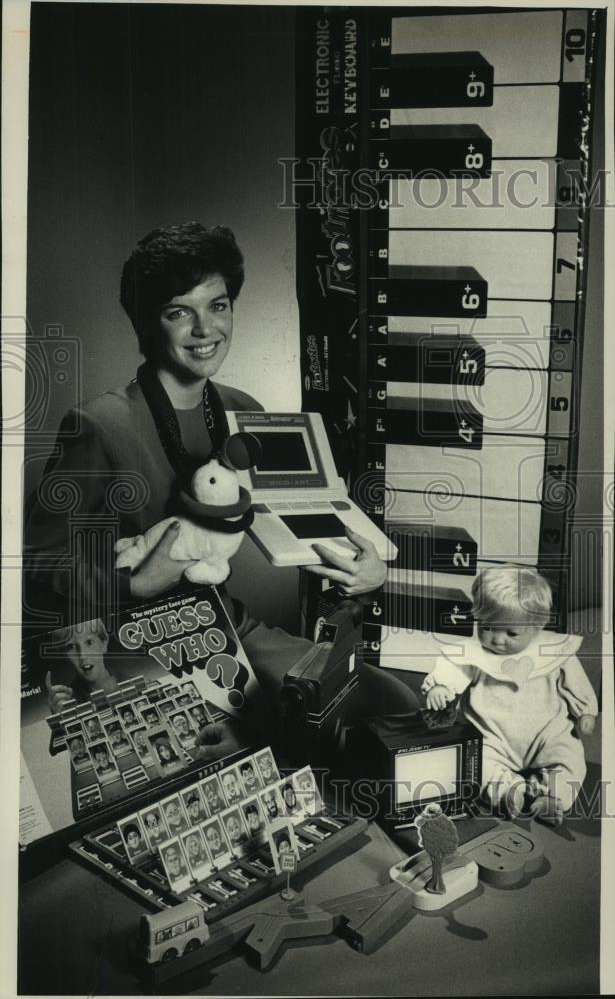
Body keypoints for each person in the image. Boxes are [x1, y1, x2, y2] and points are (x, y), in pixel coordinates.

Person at [24, 222, 419, 744]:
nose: (205, 329)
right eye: (178, 311)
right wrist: (138, 583)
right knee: (246, 747)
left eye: (218, 305)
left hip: (223, 624)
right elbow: (37, 561)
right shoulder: (99, 423)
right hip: (135, 641)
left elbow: (298, 519)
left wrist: (360, 570)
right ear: (146, 322)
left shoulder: (243, 411)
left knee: (390, 703)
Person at [421, 565, 599, 826]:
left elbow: (574, 681)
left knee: (571, 759)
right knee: (473, 764)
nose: (497, 640)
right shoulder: (474, 653)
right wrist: (439, 687)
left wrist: (585, 710)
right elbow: (452, 669)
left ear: (536, 626)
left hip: (546, 732)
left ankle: (552, 797)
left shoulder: (553, 650)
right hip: (492, 735)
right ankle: (508, 792)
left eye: (512, 633)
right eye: (487, 627)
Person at [45, 619, 116, 714]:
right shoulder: (64, 703)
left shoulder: (131, 681)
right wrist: (60, 718)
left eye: (89, 642)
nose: (82, 655)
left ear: (104, 643)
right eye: (71, 647)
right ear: (64, 655)